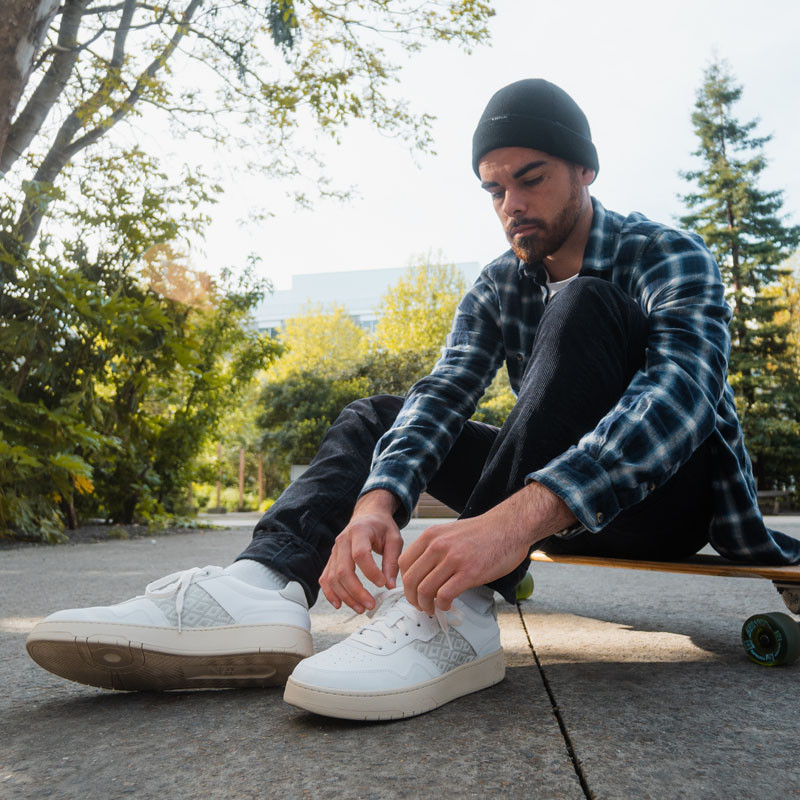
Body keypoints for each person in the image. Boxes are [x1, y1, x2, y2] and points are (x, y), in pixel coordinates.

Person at [26, 79, 800, 721]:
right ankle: (257, 589)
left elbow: (685, 390)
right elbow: (442, 393)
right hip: (543, 492)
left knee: (586, 305)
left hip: (667, 500)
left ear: (585, 172)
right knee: (377, 417)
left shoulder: (668, 254)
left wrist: (515, 520)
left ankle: (453, 614)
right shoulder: (499, 283)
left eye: (531, 179)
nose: (511, 206)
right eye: (494, 189)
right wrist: (376, 501)